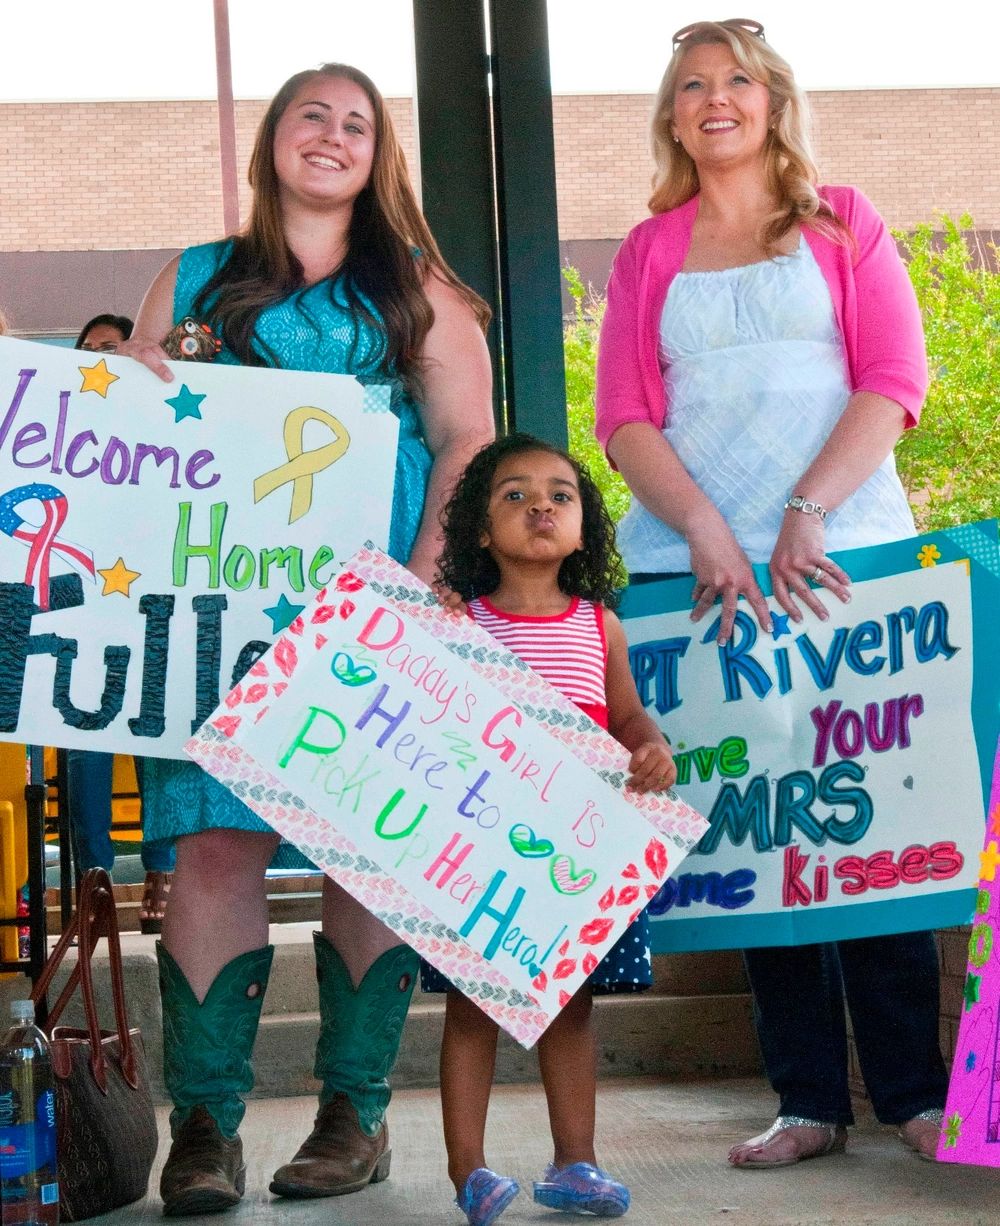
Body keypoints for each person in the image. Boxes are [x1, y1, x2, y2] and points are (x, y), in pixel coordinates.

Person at [118, 63, 494, 1214]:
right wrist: (122, 393)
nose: (330, 137)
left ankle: (354, 1115)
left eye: (356, 124)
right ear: (271, 140)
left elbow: (466, 445)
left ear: (380, 156)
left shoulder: (418, 289)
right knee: (212, 847)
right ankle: (205, 1129)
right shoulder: (191, 277)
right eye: (308, 116)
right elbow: (128, 428)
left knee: (359, 844)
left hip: (371, 607)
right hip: (212, 608)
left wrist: (420, 591)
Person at [595, 19, 947, 1167]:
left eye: (735, 80)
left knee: (873, 812)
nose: (714, 99)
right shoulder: (648, 250)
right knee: (761, 828)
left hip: (846, 561)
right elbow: (625, 418)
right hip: (703, 584)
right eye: (690, 85)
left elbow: (896, 379)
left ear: (772, 101)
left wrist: (806, 510)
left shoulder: (845, 218)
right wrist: (705, 528)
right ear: (671, 115)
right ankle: (805, 1098)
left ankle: (913, 1090)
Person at [427, 433, 676, 1224]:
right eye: (515, 493)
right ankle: (469, 1171)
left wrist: (650, 746)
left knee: (571, 1006)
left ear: (583, 527)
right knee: (472, 1007)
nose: (541, 504)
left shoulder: (599, 624)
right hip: (479, 851)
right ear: (478, 528)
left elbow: (627, 712)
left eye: (561, 494)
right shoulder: (458, 623)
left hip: (575, 854)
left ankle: (577, 1163)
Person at [67, 315, 178, 932]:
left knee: (154, 736)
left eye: (112, 347)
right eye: (88, 350)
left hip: (155, 610)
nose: (100, 357)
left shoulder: (165, 423)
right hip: (87, 613)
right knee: (85, 745)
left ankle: (163, 870)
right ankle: (96, 880)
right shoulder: (61, 433)